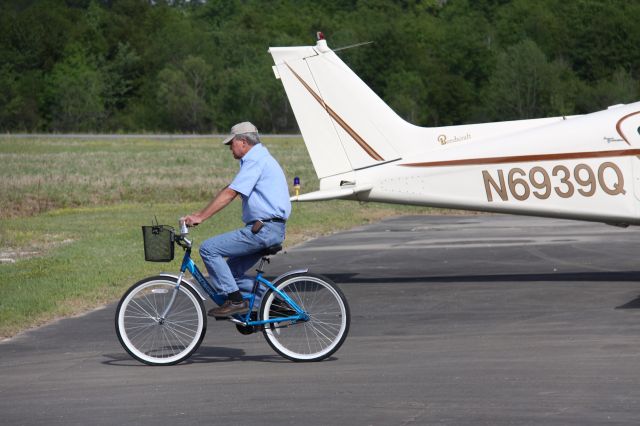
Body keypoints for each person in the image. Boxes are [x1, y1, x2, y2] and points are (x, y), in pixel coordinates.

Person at [182, 122, 291, 317]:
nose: (230, 148)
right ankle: (274, 304)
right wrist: (200, 213)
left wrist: (200, 217)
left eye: (231, 143)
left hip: (263, 230)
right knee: (229, 275)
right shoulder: (259, 159)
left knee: (209, 249)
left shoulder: (255, 161)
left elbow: (231, 193)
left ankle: (236, 302)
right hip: (269, 229)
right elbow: (230, 188)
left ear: (242, 142)